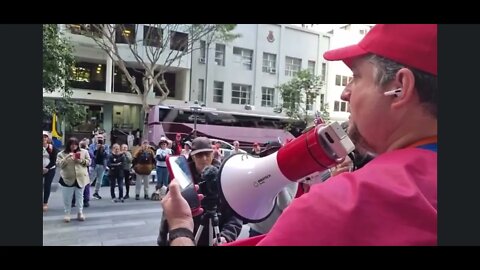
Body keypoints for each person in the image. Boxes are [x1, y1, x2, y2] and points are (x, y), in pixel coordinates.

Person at [161, 24, 437, 246]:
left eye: (356, 76)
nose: (345, 91)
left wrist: (181, 230)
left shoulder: (342, 206)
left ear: (400, 87)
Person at [157, 137, 243, 246]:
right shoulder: (180, 177)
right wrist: (163, 239)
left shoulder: (225, 176)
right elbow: (169, 212)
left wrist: (227, 236)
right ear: (192, 156)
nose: (204, 158)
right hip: (188, 236)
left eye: (207, 154)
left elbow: (235, 214)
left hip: (217, 236)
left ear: (213, 154)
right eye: (199, 155)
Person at [248, 141, 298, 236]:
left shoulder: (293, 174)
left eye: (275, 155)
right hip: (256, 228)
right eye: (270, 156)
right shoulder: (259, 171)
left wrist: (278, 178)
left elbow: (285, 206)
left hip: (275, 231)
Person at [56, 137, 91, 222]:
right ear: (68, 145)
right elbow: (59, 165)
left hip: (81, 178)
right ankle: (67, 213)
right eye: (72, 144)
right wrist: (68, 157)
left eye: (75, 144)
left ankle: (80, 212)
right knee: (67, 197)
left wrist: (79, 160)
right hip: (67, 179)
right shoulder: (61, 154)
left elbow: (89, 162)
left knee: (80, 197)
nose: (74, 146)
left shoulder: (84, 152)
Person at [43, 131, 58, 212]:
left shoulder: (52, 148)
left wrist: (47, 168)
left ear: (48, 138)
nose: (43, 139)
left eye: (45, 137)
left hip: (50, 169)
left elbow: (54, 160)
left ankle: (45, 203)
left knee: (47, 185)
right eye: (42, 137)